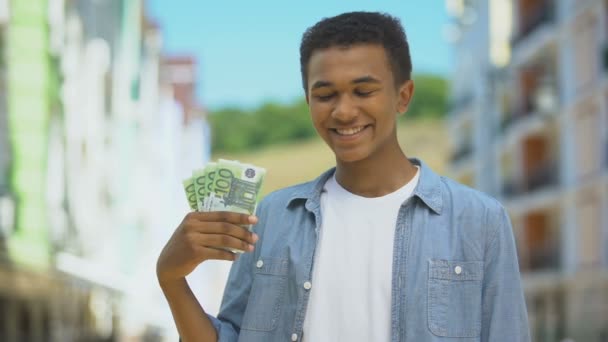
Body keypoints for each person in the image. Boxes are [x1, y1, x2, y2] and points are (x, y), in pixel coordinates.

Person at [156, 11, 530, 342]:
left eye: (363, 91)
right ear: (308, 100)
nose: (344, 111)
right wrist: (171, 278)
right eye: (325, 95)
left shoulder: (479, 221)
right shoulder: (272, 217)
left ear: (403, 96)